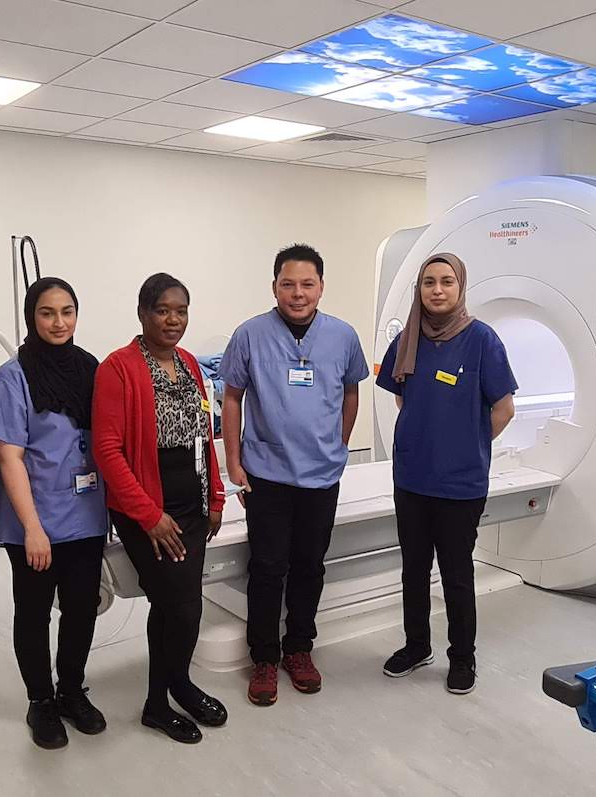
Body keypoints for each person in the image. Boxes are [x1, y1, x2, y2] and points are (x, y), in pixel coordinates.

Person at [221, 244, 370, 707]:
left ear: (322, 287)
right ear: (274, 287)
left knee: (310, 566)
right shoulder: (249, 335)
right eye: (288, 284)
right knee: (266, 568)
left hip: (321, 476)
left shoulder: (342, 337)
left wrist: (339, 446)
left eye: (307, 284)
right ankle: (263, 658)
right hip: (267, 473)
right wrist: (233, 460)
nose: (298, 293)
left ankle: (299, 649)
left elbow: (351, 393)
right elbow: (231, 399)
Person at [92, 273, 227, 744]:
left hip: (191, 508)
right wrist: (148, 515)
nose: (173, 320)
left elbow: (203, 436)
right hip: (145, 511)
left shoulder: (190, 363)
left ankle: (177, 686)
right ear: (143, 313)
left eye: (181, 310)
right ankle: (158, 702)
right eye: (163, 310)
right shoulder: (119, 368)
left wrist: (215, 496)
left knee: (179, 608)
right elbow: (107, 450)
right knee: (180, 605)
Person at [374, 253, 516, 696]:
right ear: (419, 289)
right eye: (429, 282)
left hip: (460, 484)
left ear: (461, 287)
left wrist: (465, 444)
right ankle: (417, 645)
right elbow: (404, 400)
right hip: (412, 478)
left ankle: (462, 657)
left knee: (456, 573)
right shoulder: (406, 340)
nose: (437, 290)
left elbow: (504, 408)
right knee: (413, 570)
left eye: (447, 281)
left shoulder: (482, 340)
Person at [0, 277, 108, 750]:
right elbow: (9, 456)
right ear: (31, 317)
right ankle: (40, 701)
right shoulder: (14, 377)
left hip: (87, 517)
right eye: (47, 313)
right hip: (34, 522)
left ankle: (72, 691)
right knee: (34, 613)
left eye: (67, 312)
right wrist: (33, 528)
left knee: (82, 609)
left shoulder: (91, 370)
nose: (59, 322)